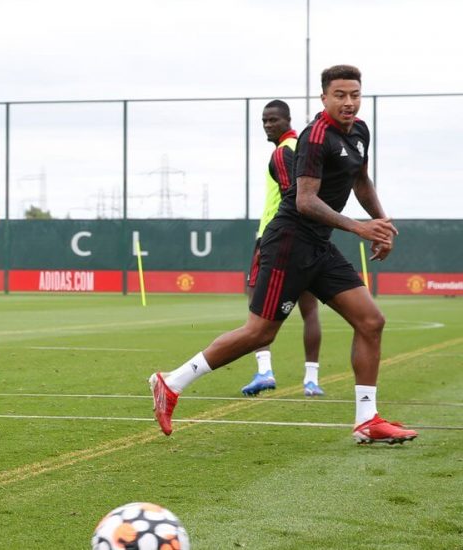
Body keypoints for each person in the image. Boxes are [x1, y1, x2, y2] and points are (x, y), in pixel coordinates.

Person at [149, 65, 418, 445]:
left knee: (371, 321)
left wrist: (382, 223)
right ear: (324, 98)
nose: (349, 102)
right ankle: (171, 382)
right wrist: (360, 228)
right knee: (259, 332)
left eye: (355, 95)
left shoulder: (359, 131)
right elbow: (305, 201)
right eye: (340, 95)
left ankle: (367, 420)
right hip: (289, 243)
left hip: (319, 245)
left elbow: (360, 180)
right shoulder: (315, 136)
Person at [241, 100, 324, 397]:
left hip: (275, 239)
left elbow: (293, 197)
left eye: (273, 120)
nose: (267, 125)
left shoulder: (283, 151)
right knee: (309, 310)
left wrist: (274, 238)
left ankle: (265, 371)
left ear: (287, 120)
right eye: (264, 120)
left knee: (257, 306)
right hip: (305, 240)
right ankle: (311, 379)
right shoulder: (300, 149)